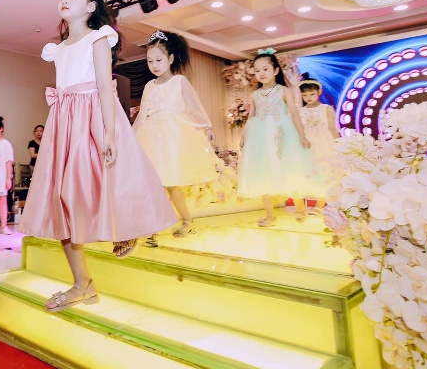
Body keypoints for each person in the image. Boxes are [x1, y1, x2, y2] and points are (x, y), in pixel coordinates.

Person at [18, 0, 175, 313]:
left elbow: (105, 86)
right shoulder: (58, 48)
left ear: (90, 6)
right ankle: (82, 284)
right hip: (64, 119)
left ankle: (127, 227)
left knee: (107, 177)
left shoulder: (99, 38)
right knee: (61, 200)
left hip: (93, 114)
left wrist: (110, 132)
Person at [133, 31, 220, 242]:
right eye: (150, 61)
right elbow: (142, 117)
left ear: (170, 58)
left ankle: (187, 221)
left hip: (173, 138)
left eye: (159, 60)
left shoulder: (179, 81)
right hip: (151, 139)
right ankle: (153, 227)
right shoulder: (149, 86)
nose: (154, 65)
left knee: (172, 184)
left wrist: (206, 126)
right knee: (153, 184)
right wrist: (129, 138)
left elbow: (193, 106)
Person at [238, 49, 315, 227]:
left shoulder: (284, 91)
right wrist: (243, 137)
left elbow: (294, 113)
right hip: (260, 138)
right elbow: (251, 117)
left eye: (265, 69)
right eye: (257, 70)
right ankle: (270, 215)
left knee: (290, 168)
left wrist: (302, 135)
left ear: (276, 70)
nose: (261, 73)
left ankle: (300, 209)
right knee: (263, 172)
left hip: (283, 135)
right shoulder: (254, 95)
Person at [299, 78, 339, 211]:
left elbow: (333, 129)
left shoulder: (326, 109)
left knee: (325, 172)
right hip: (308, 146)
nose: (308, 97)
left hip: (324, 144)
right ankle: (305, 207)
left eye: (312, 94)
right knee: (309, 173)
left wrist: (339, 144)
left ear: (318, 92)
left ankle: (319, 206)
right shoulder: (300, 111)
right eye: (305, 95)